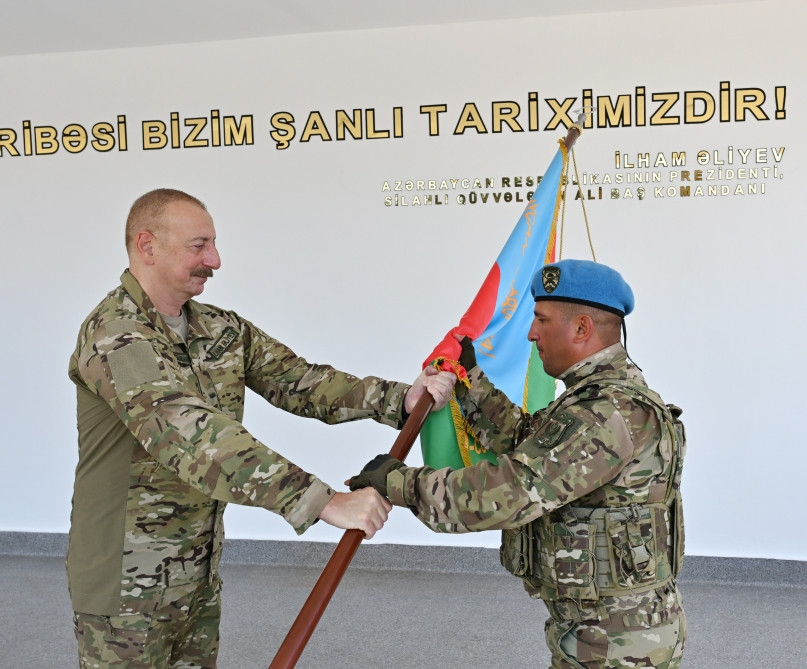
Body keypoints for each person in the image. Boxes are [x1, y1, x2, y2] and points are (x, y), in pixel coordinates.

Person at [67, 188, 455, 668]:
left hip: (197, 570)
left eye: (214, 244)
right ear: (147, 246)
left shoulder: (219, 328)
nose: (215, 259)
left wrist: (399, 398)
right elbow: (189, 433)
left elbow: (302, 381)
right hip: (126, 583)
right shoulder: (114, 336)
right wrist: (323, 501)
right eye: (198, 245)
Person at [350, 259, 687, 668]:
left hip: (617, 642)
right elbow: (525, 440)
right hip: (609, 628)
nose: (531, 333)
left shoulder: (605, 410)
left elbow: (512, 490)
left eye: (542, 320)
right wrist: (470, 378)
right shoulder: (599, 400)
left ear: (581, 328)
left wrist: (400, 483)